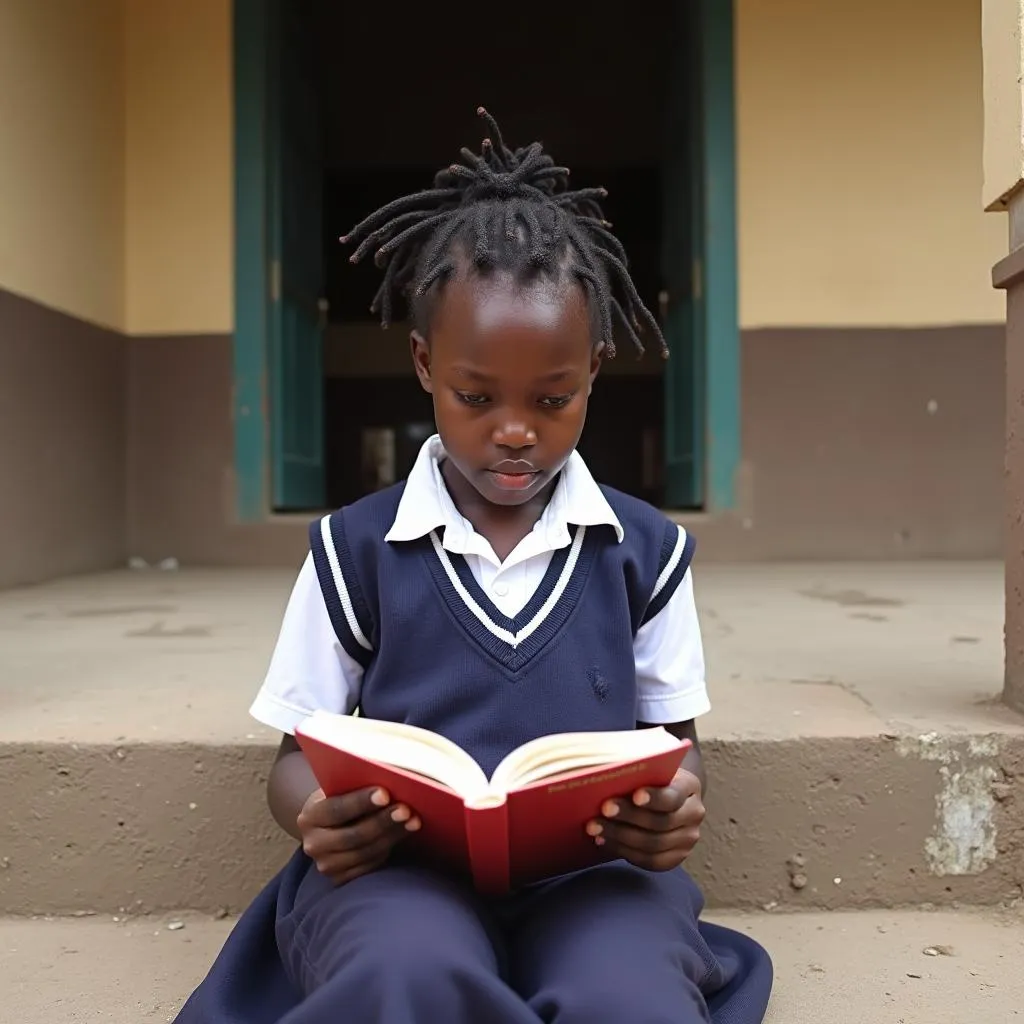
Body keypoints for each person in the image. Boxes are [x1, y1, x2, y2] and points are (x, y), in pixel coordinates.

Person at [173, 108, 773, 1024]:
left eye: (554, 397)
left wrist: (672, 812)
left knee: (628, 996)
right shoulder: (354, 552)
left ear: (596, 369)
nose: (515, 430)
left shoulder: (645, 554)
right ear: (424, 365)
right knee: (403, 975)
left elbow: (674, 744)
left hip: (592, 879)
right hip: (400, 874)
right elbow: (294, 758)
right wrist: (318, 817)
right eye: (475, 395)